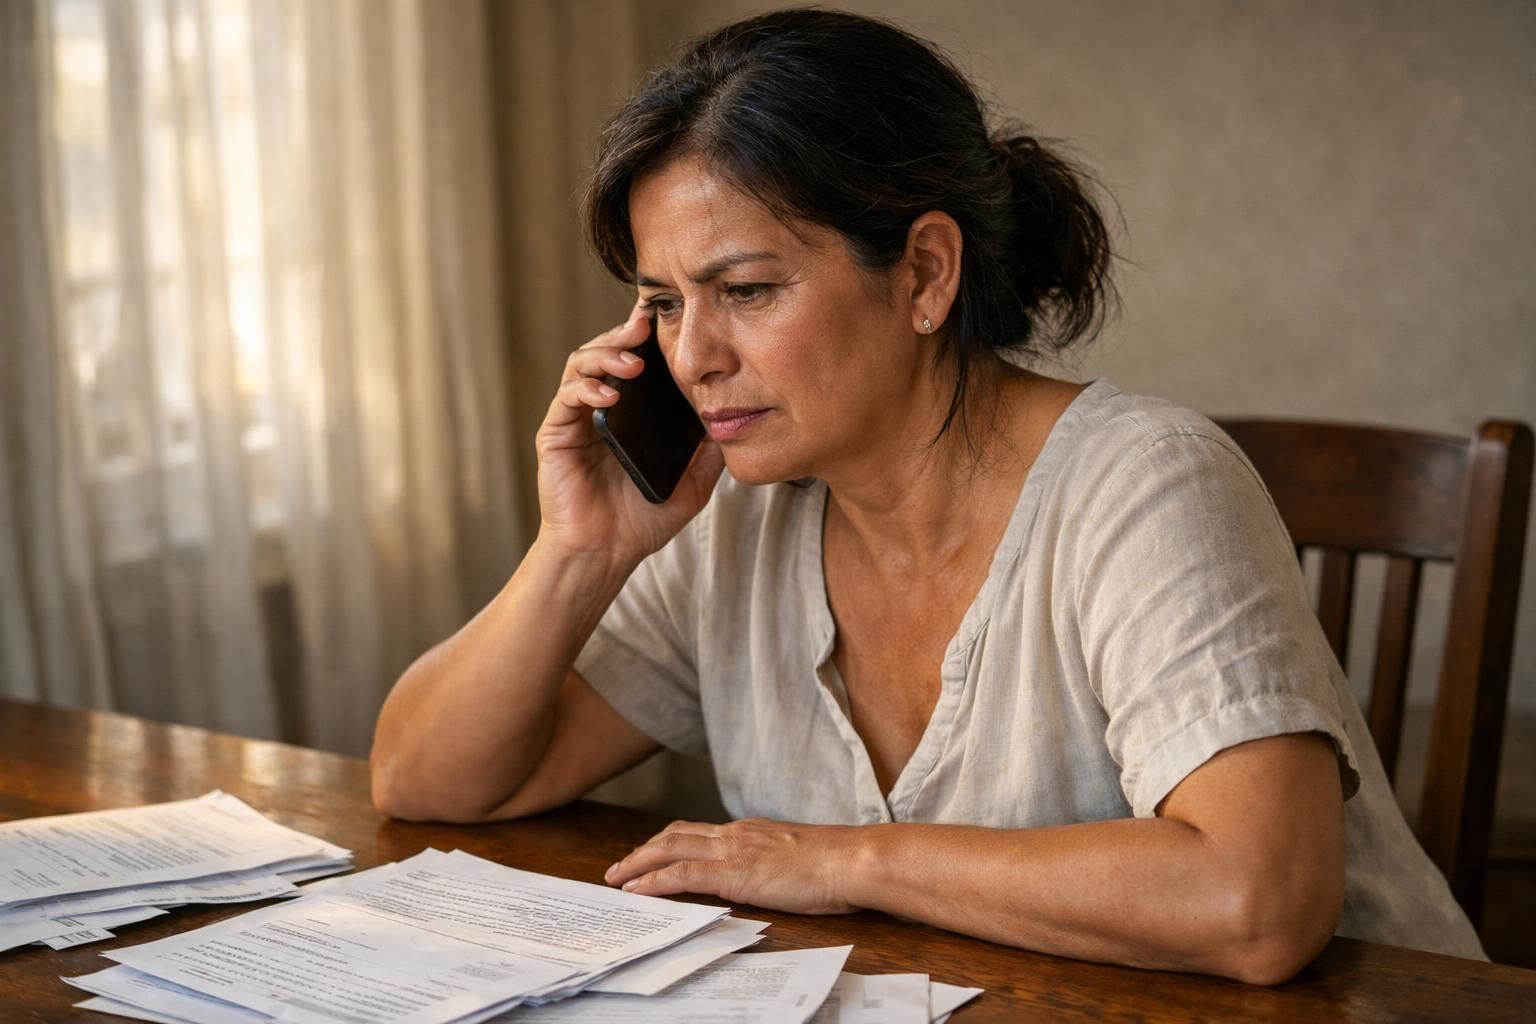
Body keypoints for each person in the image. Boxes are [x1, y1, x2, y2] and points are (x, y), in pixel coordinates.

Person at [370, 9, 1482, 983]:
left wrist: (840, 859)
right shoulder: (741, 518)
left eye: (746, 290)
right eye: (663, 302)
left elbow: (1256, 902)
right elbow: (425, 781)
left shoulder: (1145, 484)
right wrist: (580, 550)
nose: (691, 354)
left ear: (925, 274)